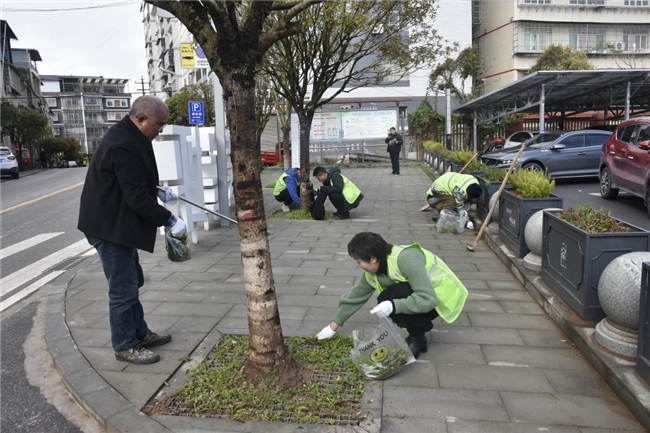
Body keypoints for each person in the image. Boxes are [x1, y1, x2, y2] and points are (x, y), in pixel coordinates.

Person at [78, 95, 187, 365]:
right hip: (110, 227)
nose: (160, 130)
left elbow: (130, 180)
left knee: (132, 281)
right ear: (140, 119)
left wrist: (157, 190)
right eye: (158, 124)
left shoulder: (132, 135)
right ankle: (125, 345)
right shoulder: (124, 145)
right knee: (123, 289)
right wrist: (169, 220)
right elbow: (136, 198)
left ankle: (139, 332)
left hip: (116, 222)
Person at [316, 232, 468, 358]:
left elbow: (428, 299)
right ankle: (417, 329)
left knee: (392, 297)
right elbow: (355, 297)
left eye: (359, 261)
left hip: (441, 296)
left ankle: (418, 338)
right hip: (424, 296)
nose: (359, 265)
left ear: (373, 259)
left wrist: (393, 306)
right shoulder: (373, 270)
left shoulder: (406, 259)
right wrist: (332, 327)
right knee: (386, 299)